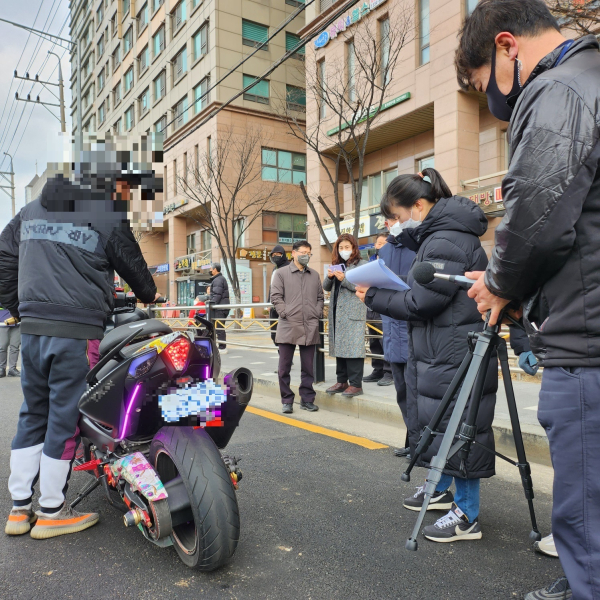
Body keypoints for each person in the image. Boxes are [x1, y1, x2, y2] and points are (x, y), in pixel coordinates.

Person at [456, 0, 600, 596]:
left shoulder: (559, 90)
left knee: (585, 510)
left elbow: (539, 211)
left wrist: (497, 284)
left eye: (485, 83)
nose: (492, 99)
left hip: (587, 346)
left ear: (508, 46)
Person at [0, 154, 160, 539]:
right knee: (64, 417)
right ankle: (52, 511)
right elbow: (138, 275)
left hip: (35, 329)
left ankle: (19, 510)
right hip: (76, 330)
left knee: (33, 412)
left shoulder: (31, 210)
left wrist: (19, 309)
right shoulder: (104, 212)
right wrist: (148, 294)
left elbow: (4, 260)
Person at [356, 168, 497, 543]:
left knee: (460, 427)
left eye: (399, 217)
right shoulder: (441, 235)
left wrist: (372, 295)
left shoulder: (443, 240)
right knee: (445, 421)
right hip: (447, 346)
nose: (398, 225)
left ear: (419, 205)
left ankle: (467, 515)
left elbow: (422, 302)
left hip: (453, 349)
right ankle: (443, 490)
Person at [378, 210, 417, 458]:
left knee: (418, 394)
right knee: (402, 393)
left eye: (395, 218)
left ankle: (419, 443)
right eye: (389, 220)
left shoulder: (421, 245)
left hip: (414, 331)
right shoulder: (384, 251)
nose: (391, 224)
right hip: (392, 329)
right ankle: (412, 440)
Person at [270, 240, 324, 414]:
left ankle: (307, 399)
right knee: (284, 367)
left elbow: (320, 297)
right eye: (303, 252)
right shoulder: (281, 273)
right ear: (293, 253)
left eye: (309, 253)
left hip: (310, 325)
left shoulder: (314, 275)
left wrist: (316, 313)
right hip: (288, 325)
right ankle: (287, 400)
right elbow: (276, 297)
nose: (306, 255)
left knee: (308, 367)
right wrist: (285, 312)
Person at [324, 234, 368, 398]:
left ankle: (356, 385)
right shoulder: (337, 265)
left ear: (354, 248)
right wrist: (329, 277)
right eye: (341, 248)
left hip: (353, 312)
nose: (344, 251)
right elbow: (326, 287)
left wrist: (344, 279)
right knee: (340, 347)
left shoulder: (362, 265)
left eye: (347, 247)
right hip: (338, 312)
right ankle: (342, 381)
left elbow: (363, 286)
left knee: (354, 349)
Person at [364, 233, 394, 386]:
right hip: (372, 305)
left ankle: (389, 371)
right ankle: (378, 369)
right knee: (374, 340)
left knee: (386, 339)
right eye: (378, 243)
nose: (379, 246)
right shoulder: (372, 262)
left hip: (385, 305)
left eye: (383, 243)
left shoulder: (392, 261)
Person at [268, 245, 291, 348]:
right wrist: (268, 302)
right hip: (273, 306)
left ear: (283, 255)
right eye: (273, 255)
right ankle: (282, 356)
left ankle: (285, 359)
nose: (275, 256)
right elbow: (271, 287)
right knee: (274, 333)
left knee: (284, 333)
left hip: (284, 305)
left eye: (278, 254)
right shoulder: (274, 268)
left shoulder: (289, 267)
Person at [208, 263, 230, 354]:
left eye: (211, 269)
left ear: (215, 269)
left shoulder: (218, 280)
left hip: (220, 307)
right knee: (218, 327)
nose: (210, 271)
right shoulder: (219, 279)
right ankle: (221, 346)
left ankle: (222, 347)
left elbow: (217, 295)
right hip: (222, 306)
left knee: (219, 327)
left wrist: (211, 305)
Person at [0, 304, 21, 377]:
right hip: (3, 321)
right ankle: (1, 368)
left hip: (17, 321)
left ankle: (12, 369)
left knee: (15, 346)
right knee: (2, 346)